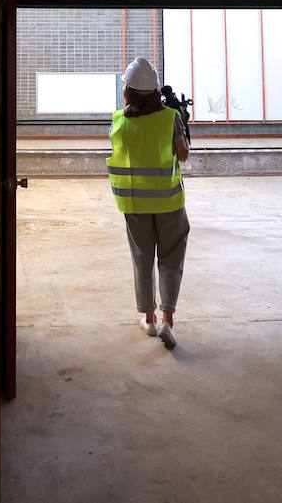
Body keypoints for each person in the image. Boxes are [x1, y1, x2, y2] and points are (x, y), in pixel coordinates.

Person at [107, 57, 190, 349]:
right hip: (169, 201)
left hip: (134, 203)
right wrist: (181, 124)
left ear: (128, 91)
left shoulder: (119, 120)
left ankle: (150, 320)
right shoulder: (170, 118)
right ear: (155, 91)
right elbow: (183, 155)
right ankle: (168, 320)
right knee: (171, 259)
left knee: (142, 259)